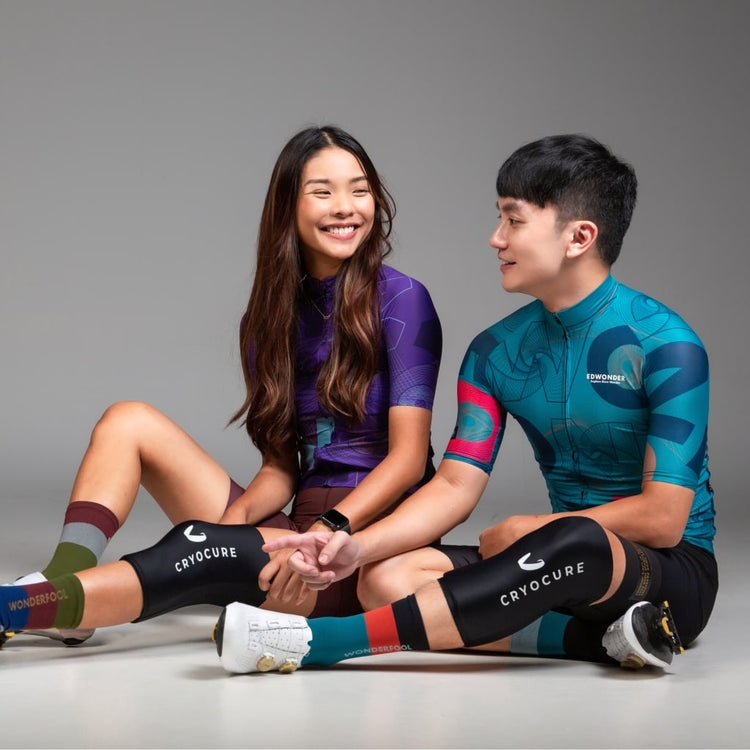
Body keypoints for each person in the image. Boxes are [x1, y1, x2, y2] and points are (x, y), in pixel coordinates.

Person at [212, 134, 717, 675]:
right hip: (546, 561)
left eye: (513, 220)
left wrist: (534, 529)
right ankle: (603, 640)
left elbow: (664, 519)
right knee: (383, 579)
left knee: (577, 540)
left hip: (664, 573)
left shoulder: (667, 345)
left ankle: (317, 644)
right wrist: (356, 546)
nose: (496, 238)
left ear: (579, 237)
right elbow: (454, 485)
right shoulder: (493, 352)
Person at [0, 125, 444, 647]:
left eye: (360, 190)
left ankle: (19, 608)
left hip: (363, 547)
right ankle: (62, 582)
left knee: (197, 552)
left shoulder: (402, 300)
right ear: (288, 207)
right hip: (294, 529)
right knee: (127, 421)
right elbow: (281, 468)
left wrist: (327, 530)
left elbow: (408, 460)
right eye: (323, 192)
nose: (345, 207)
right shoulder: (268, 319)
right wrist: (230, 529)